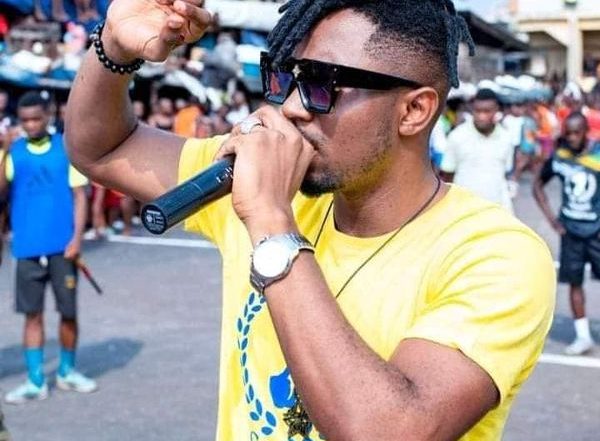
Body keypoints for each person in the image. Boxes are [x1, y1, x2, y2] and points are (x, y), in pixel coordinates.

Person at [66, 1, 555, 440]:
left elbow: (387, 431)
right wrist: (114, 48)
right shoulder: (273, 191)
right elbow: (103, 148)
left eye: (324, 84)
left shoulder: (497, 256)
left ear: (414, 110)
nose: (293, 107)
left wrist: (270, 222)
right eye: (287, 78)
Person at [1, 92, 97, 405]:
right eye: (24, 120)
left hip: (63, 247)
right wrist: (4, 152)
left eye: (36, 119)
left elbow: (80, 197)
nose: (30, 125)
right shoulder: (13, 152)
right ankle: (35, 380)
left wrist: (76, 239)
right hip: (26, 248)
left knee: (68, 313)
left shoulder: (66, 148)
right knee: (32, 316)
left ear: (48, 116)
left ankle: (67, 371)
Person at [534, 112, 600, 356]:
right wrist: (553, 221)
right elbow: (537, 185)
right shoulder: (560, 157)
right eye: (568, 133)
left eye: (576, 133)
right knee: (574, 283)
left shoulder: (597, 154)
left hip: (596, 231)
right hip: (571, 231)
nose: (572, 137)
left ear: (586, 132)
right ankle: (583, 336)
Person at [440, 89, 515, 212]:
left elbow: (505, 172)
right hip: (464, 212)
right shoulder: (457, 136)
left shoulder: (506, 138)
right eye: (477, 111)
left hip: (498, 211)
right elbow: (447, 176)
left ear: (496, 110)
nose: (481, 116)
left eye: (487, 111)